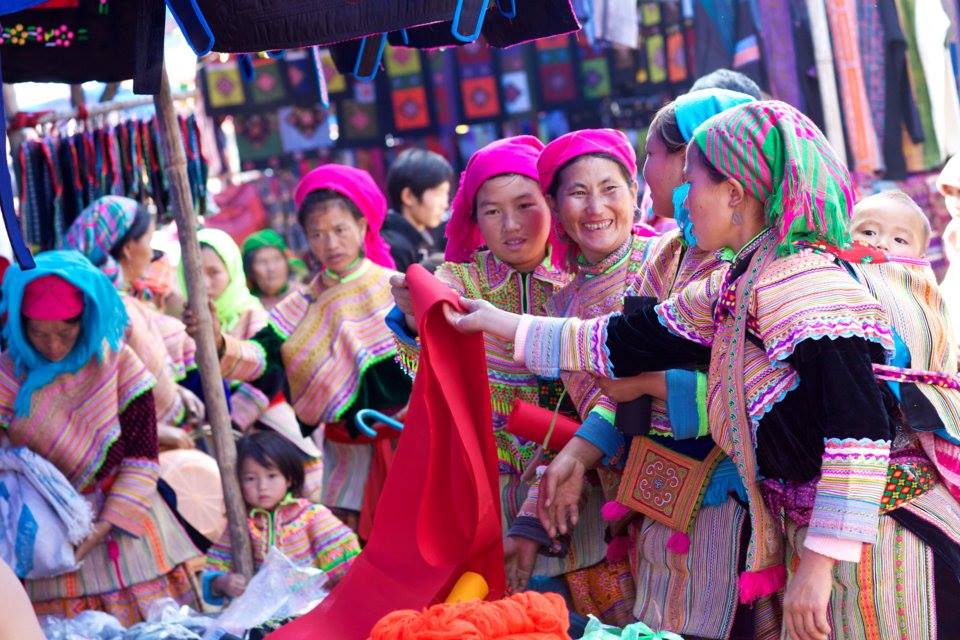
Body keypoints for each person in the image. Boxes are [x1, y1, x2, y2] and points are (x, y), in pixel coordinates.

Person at [448, 100, 960, 640]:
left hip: (888, 541)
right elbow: (620, 341)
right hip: (834, 538)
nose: (681, 199)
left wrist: (818, 563)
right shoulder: (737, 282)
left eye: (691, 183)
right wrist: (497, 322)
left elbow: (860, 430)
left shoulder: (806, 284)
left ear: (735, 194)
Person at [584, 88, 756, 639]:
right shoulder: (664, 252)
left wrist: (649, 383)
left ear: (691, 161)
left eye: (652, 155)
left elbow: (753, 390)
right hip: (659, 491)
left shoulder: (748, 262)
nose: (644, 169)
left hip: (724, 495)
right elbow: (621, 365)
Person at [386, 136, 572, 593]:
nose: (511, 225)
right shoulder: (457, 281)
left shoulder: (583, 276)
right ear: (473, 218)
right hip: (486, 487)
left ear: (550, 203)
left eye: (525, 204)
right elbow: (423, 364)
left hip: (574, 480)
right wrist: (415, 316)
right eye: (491, 211)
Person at [185, 164, 411, 536]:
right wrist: (218, 341)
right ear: (305, 238)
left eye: (340, 230)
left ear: (362, 226)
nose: (331, 244)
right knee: (349, 538)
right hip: (345, 447)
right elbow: (258, 358)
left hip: (407, 436)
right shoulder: (299, 305)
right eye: (317, 234)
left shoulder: (396, 288)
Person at [1, 251, 199, 625]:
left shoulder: (118, 364)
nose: (54, 346)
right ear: (20, 324)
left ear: (86, 319)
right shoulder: (8, 375)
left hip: (122, 531)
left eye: (65, 332)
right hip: (42, 536)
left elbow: (143, 458)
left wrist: (99, 528)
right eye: (39, 334)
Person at [64, 196, 202, 449]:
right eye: (148, 241)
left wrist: (177, 393)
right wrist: (154, 430)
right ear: (128, 248)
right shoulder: (110, 310)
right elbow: (92, 400)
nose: (151, 253)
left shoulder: (109, 301)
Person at [202, 431, 359, 604]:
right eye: (250, 478)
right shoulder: (241, 525)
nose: (262, 486)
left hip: (312, 609)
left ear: (289, 478)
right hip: (261, 614)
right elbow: (215, 567)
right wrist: (222, 582)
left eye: (272, 476)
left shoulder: (310, 515)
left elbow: (346, 559)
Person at [382, 148, 454, 272]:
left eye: (446, 194)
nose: (445, 204)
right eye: (439, 193)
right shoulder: (394, 248)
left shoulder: (417, 241)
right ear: (408, 196)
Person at [849, 190, 932, 259]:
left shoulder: (918, 278)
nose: (882, 244)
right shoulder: (838, 271)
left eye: (899, 240)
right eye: (869, 232)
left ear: (920, 259)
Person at [242, 229, 307, 311]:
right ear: (250, 270)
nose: (271, 268)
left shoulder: (304, 295)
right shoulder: (244, 305)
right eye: (262, 261)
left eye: (277, 259)